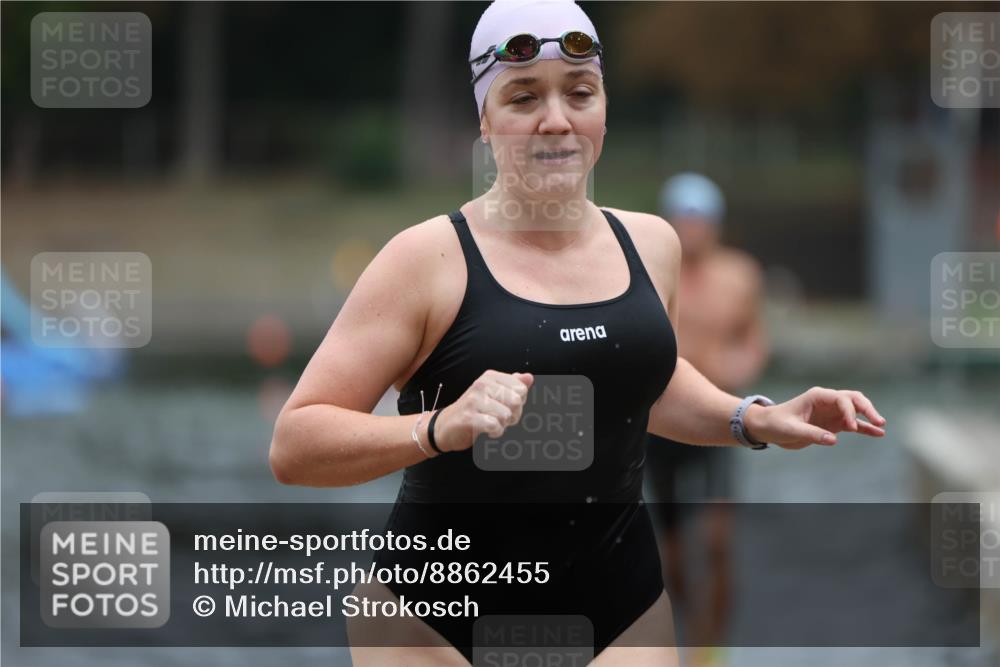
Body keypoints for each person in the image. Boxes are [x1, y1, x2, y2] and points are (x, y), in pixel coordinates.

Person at [268, 1, 886, 665]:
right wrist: (440, 427)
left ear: (605, 109)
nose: (556, 119)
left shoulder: (652, 244)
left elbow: (643, 382)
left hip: (622, 612)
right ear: (485, 118)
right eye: (524, 96)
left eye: (579, 93)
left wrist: (754, 417)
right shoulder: (425, 261)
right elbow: (296, 442)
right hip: (435, 624)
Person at [644, 173, 769, 667]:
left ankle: (710, 649)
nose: (691, 229)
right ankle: (689, 632)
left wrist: (744, 364)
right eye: (683, 220)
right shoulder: (654, 273)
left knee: (717, 542)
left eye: (699, 221)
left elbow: (754, 336)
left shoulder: (739, 275)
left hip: (721, 417)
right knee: (671, 553)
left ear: (714, 226)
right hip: (662, 422)